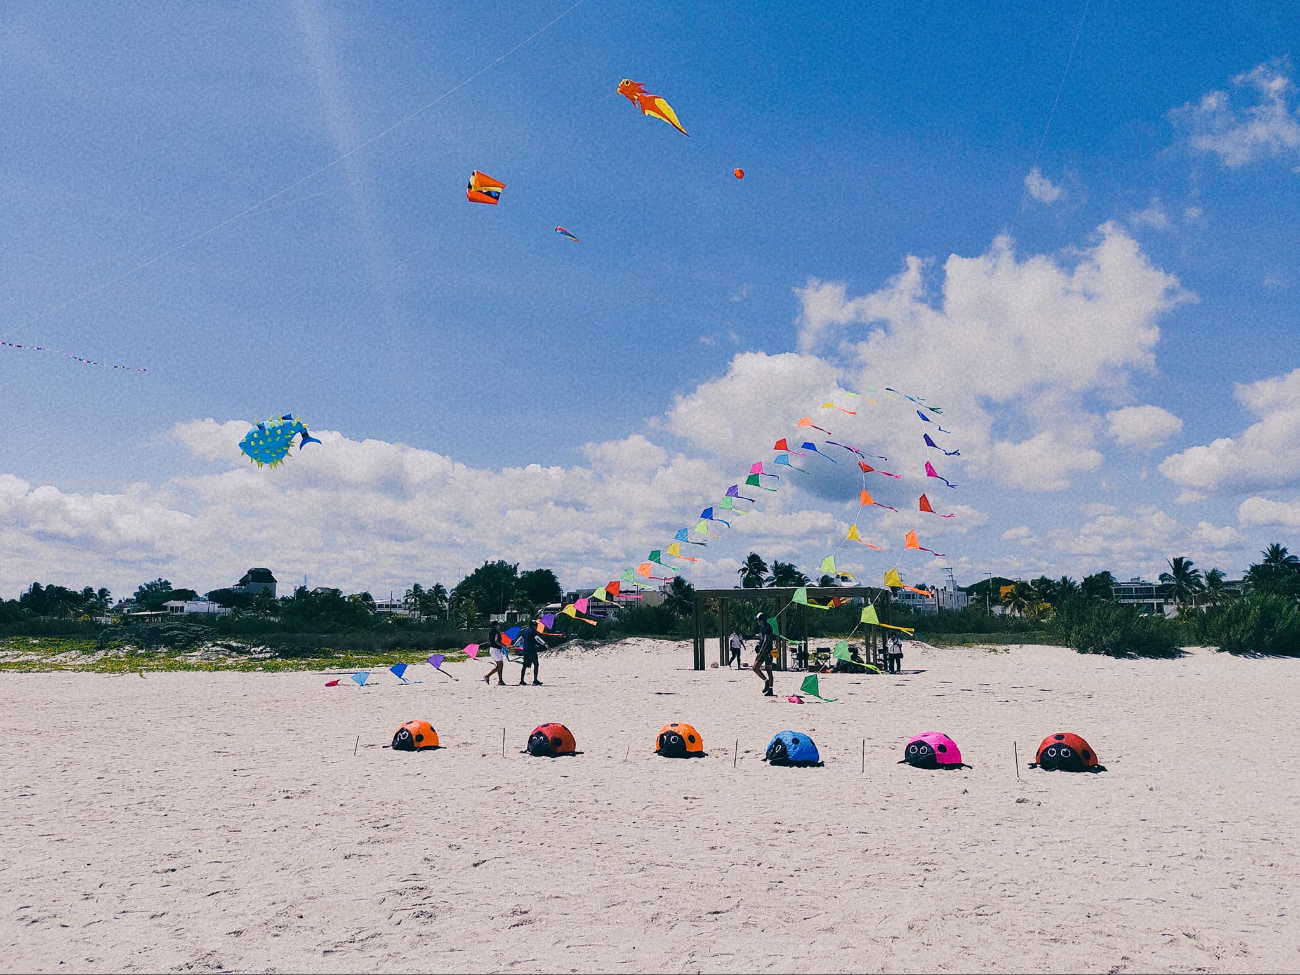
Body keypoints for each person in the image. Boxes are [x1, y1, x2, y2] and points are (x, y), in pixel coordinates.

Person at [751, 614, 775, 696]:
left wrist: (761, 651)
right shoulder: (762, 628)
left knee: (768, 670)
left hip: (767, 652)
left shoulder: (768, 628)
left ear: (761, 620)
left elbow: (766, 640)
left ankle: (771, 689)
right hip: (762, 651)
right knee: (755, 668)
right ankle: (766, 681)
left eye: (758, 620)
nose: (757, 621)